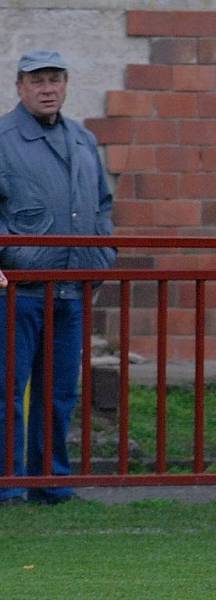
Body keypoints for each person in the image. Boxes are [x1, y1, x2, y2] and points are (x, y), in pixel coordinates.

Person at [0, 50, 116, 505]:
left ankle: (51, 484)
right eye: (37, 81)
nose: (47, 88)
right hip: (19, 289)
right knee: (6, 391)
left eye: (55, 79)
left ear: (66, 84)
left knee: (60, 392)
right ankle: (7, 488)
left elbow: (103, 204)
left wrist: (103, 256)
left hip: (72, 287)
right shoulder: (3, 137)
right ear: (19, 87)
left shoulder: (84, 140)